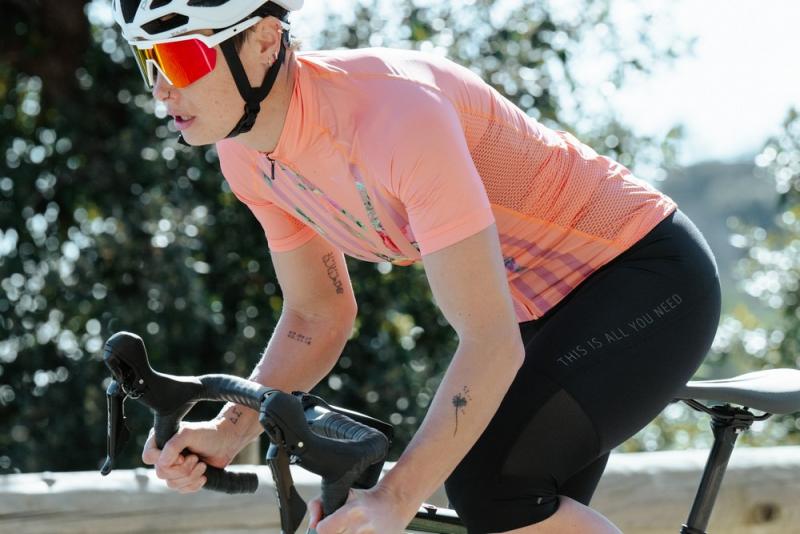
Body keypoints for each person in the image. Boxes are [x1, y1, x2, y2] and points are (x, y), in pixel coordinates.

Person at [114, 1, 722, 532]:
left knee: (489, 486)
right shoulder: (247, 157)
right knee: (506, 508)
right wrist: (228, 431)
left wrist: (396, 498)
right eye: (149, 62)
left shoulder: (396, 115)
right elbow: (317, 314)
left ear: (266, 40)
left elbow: (489, 341)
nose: (161, 90)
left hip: (644, 273)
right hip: (538, 312)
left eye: (180, 59)